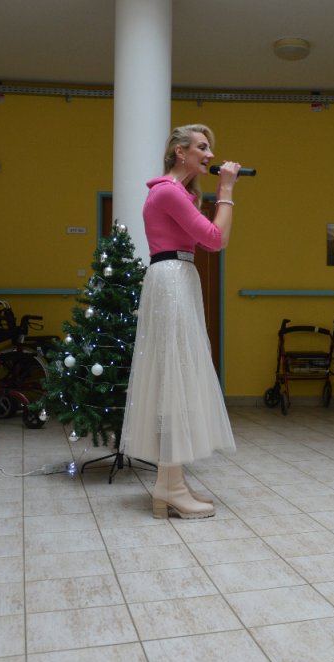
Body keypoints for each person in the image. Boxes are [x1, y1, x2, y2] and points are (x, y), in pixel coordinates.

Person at [121, 124, 240, 520]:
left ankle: (171, 483)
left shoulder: (175, 193)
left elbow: (206, 240)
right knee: (175, 380)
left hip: (176, 277)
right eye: (202, 147)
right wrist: (226, 191)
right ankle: (168, 487)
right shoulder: (169, 192)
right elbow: (215, 239)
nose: (210, 155)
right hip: (172, 279)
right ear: (180, 152)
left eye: (211, 148)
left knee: (179, 380)